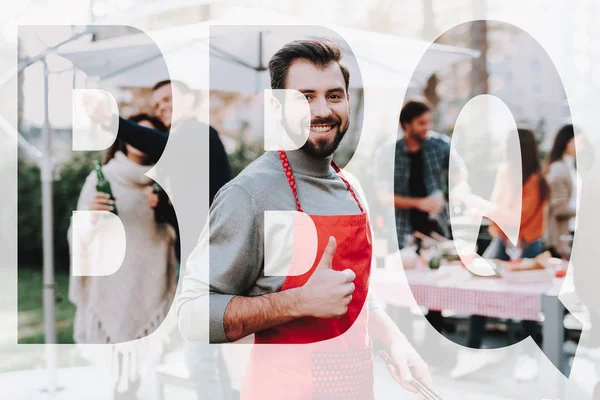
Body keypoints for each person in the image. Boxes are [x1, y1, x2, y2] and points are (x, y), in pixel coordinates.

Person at [178, 40, 431, 399]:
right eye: (305, 97)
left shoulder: (352, 188)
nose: (323, 109)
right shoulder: (249, 195)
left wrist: (396, 341)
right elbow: (192, 315)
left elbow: (356, 294)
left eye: (334, 95)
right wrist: (298, 302)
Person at [68, 114, 177, 399]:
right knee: (121, 372)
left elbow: (183, 234)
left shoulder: (169, 181)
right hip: (112, 280)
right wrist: (90, 217)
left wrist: (167, 209)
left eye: (149, 135)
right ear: (123, 140)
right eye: (135, 133)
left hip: (151, 279)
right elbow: (76, 236)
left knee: (138, 366)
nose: (140, 141)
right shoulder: (102, 178)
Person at [457, 128, 550, 381]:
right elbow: (501, 211)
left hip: (527, 245)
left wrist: (483, 206)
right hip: (504, 240)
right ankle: (473, 349)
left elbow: (514, 216)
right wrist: (486, 210)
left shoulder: (535, 181)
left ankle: (534, 354)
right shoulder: (507, 171)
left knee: (526, 302)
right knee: (480, 290)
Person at [545, 124, 577, 259]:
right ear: (568, 141)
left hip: (571, 232)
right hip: (562, 237)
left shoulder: (570, 167)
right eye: (579, 141)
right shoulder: (558, 168)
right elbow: (559, 208)